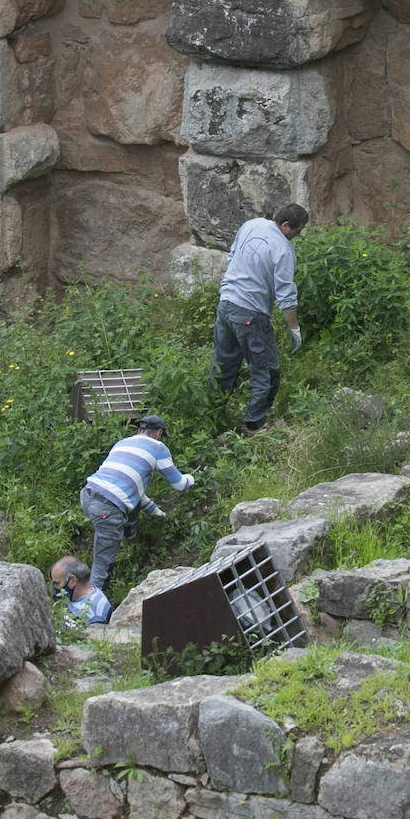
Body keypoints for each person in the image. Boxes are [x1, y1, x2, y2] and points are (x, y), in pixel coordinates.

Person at [211, 203, 308, 432]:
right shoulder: (283, 250)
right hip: (251, 315)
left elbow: (232, 255)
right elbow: (286, 294)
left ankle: (212, 416)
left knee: (223, 365)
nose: (298, 236)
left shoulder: (251, 225)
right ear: (286, 226)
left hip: (225, 305)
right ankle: (255, 425)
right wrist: (294, 328)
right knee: (266, 370)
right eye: (297, 231)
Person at [80, 414, 195, 591]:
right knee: (103, 565)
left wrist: (157, 513)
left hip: (88, 495)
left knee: (119, 515)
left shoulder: (123, 443)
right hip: (108, 508)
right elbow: (179, 485)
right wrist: (191, 479)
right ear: (158, 433)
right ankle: (91, 610)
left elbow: (131, 494)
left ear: (139, 430)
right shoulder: (158, 447)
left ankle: (129, 535)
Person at [50, 555, 112, 624]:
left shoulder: (87, 615)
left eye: (57, 583)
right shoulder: (96, 592)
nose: (55, 588)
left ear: (72, 580)